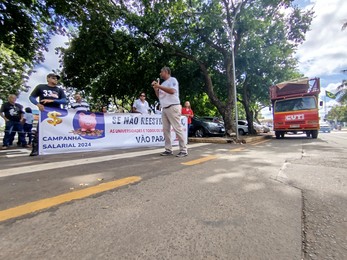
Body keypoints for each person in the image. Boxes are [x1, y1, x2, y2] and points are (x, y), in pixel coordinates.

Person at [152, 67, 188, 157]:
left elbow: (172, 91)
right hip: (164, 108)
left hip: (173, 106)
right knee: (166, 130)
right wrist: (156, 89)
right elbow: (160, 97)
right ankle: (168, 150)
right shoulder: (163, 83)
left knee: (177, 128)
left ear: (166, 72)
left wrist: (159, 86)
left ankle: (183, 150)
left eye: (161, 72)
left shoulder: (172, 80)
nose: (160, 74)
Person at [29, 73, 67, 156]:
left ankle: (58, 147)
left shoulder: (59, 90)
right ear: (48, 79)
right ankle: (35, 149)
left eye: (56, 79)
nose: (55, 80)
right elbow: (31, 97)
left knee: (58, 130)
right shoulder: (41, 87)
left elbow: (64, 100)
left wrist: (53, 101)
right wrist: (38, 104)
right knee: (39, 130)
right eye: (53, 78)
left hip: (56, 112)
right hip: (44, 112)